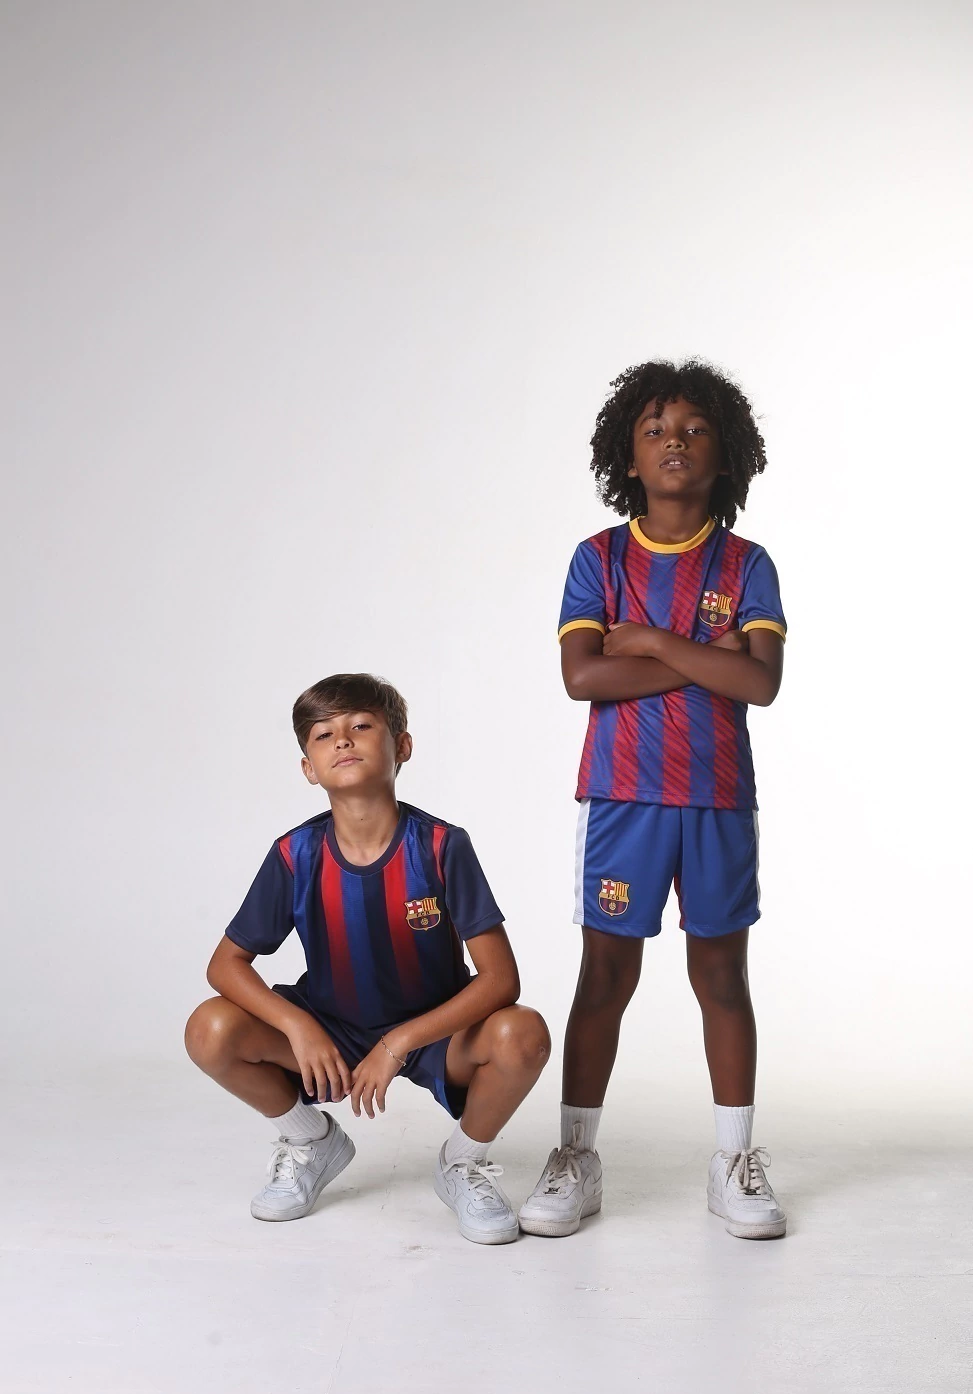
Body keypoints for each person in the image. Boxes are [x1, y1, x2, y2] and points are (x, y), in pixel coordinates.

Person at [518, 359, 787, 1241]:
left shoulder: (745, 563)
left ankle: (733, 1162)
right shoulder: (597, 558)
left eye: (695, 429)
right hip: (622, 798)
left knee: (721, 977)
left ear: (725, 453)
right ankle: (576, 1157)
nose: (676, 441)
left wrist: (651, 641)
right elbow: (582, 676)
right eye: (656, 429)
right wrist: (704, 656)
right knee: (605, 974)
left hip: (715, 799)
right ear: (627, 457)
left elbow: (758, 685)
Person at [186, 673, 550, 1246]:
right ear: (308, 767)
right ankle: (311, 1142)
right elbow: (225, 966)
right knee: (209, 1028)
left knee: (523, 1034)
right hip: (331, 1030)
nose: (342, 740)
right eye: (323, 734)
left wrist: (397, 1042)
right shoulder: (295, 854)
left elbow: (502, 980)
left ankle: (462, 1163)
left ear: (402, 746)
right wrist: (300, 1027)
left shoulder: (441, 846)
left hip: (435, 1033)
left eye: (360, 725)